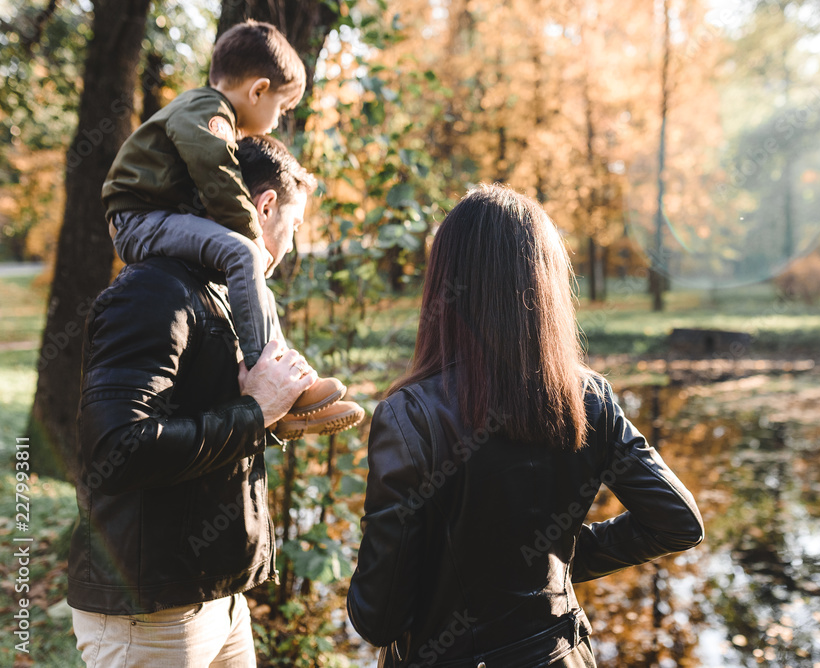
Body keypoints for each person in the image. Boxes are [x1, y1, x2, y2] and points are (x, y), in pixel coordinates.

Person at [346, 184, 705, 667]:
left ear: (446, 283)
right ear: (546, 281)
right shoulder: (588, 397)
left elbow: (378, 619)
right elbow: (677, 522)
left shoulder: (411, 416)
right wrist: (556, 559)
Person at [68, 135, 362, 667]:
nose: (291, 246)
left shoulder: (218, 291)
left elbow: (198, 418)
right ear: (266, 206)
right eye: (294, 227)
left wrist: (265, 416)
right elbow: (116, 450)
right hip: (151, 613)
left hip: (220, 601)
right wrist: (254, 413)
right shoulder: (153, 291)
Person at [101, 19, 360, 437]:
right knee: (244, 254)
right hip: (139, 219)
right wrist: (253, 236)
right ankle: (266, 374)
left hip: (155, 216)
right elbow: (214, 170)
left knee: (251, 273)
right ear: (258, 90)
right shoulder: (206, 111)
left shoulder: (209, 114)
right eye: (280, 108)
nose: (276, 122)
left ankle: (288, 390)